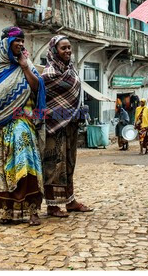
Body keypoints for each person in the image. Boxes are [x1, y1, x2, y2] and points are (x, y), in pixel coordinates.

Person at [0, 26, 46, 226]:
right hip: (0, 128)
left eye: (23, 41)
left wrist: (24, 66)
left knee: (26, 165)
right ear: (6, 42)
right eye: (17, 41)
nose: (21, 44)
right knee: (3, 170)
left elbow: (37, 88)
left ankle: (32, 210)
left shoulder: (25, 65)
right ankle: (8, 211)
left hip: (23, 123)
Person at [41, 35, 92, 218]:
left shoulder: (71, 70)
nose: (68, 51)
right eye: (63, 48)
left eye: (69, 48)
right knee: (54, 165)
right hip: (54, 127)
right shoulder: (48, 74)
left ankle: (70, 201)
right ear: (55, 51)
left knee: (69, 163)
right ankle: (52, 205)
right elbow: (41, 99)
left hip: (71, 124)